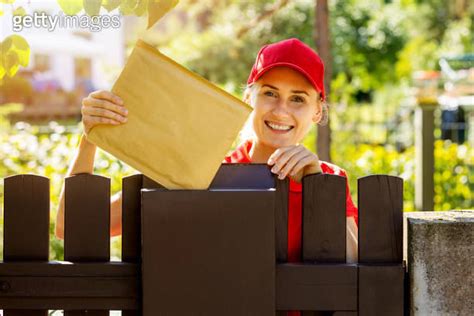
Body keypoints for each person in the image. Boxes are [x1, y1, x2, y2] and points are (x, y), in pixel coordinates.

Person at [55, 39, 358, 301]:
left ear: (317, 110)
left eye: (298, 99)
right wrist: (90, 137)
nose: (281, 110)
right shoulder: (202, 169)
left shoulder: (330, 180)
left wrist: (317, 188)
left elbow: (357, 270)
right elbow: (73, 230)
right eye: (269, 93)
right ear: (248, 98)